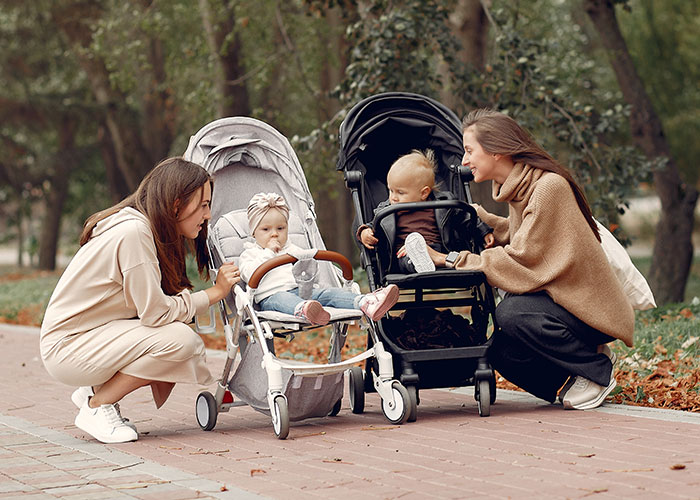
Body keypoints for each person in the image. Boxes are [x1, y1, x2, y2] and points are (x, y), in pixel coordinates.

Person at [424, 109, 634, 410]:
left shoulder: (548, 187)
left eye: (470, 150)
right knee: (498, 352)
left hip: (590, 311)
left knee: (512, 313)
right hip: (564, 304)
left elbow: (522, 259)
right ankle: (580, 367)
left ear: (496, 151)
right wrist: (481, 219)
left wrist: (451, 259)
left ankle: (596, 371)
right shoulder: (521, 187)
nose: (465, 160)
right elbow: (525, 235)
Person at [40, 157, 241, 444]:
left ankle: (95, 393)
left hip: (85, 337)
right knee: (181, 342)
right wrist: (215, 293)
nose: (208, 214)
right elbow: (155, 314)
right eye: (204, 205)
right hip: (68, 347)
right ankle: (97, 405)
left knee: (178, 336)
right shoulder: (133, 232)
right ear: (176, 204)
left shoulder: (140, 228)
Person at [239, 192, 399, 325]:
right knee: (284, 299)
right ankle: (305, 310)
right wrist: (268, 252)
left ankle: (366, 302)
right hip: (271, 297)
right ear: (253, 232)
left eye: (280, 228)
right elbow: (249, 275)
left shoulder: (292, 249)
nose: (274, 234)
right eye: (266, 229)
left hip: (301, 292)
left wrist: (308, 272)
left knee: (328, 293)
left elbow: (309, 268)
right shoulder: (250, 253)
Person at [357, 149, 494, 273]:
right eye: (390, 190)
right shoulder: (387, 210)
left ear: (424, 193)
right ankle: (419, 263)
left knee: (429, 251)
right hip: (404, 253)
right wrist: (365, 232)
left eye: (400, 192)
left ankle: (425, 261)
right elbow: (374, 225)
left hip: (437, 249)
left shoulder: (443, 203)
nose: (393, 197)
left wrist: (483, 231)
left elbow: (466, 218)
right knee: (407, 259)